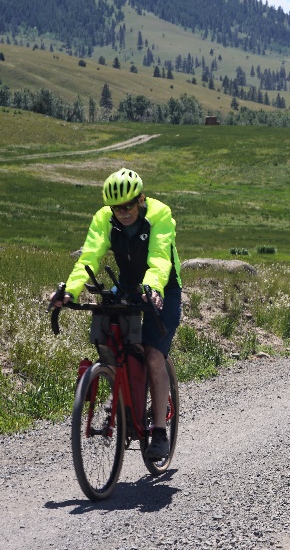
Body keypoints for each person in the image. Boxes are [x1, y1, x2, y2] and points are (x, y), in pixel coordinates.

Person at [49, 168, 182, 461]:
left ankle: (158, 431)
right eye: (117, 208)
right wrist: (69, 291)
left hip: (164, 289)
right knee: (110, 340)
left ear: (141, 199)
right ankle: (121, 395)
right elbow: (90, 257)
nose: (123, 212)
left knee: (152, 354)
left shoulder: (160, 214)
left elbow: (160, 258)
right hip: (130, 285)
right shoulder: (103, 218)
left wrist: (154, 289)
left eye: (128, 206)